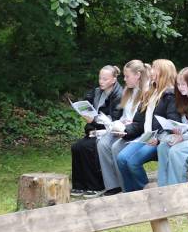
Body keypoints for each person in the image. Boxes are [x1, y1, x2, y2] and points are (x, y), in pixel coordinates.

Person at [116, 59, 179, 193]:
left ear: (163, 72)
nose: (151, 71)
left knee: (133, 162)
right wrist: (125, 131)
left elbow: (173, 123)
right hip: (146, 137)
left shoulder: (171, 95)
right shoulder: (150, 92)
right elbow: (138, 122)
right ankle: (130, 193)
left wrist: (159, 139)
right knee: (121, 158)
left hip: (159, 140)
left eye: (154, 68)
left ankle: (146, 193)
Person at [70, 64, 124, 196]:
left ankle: (96, 185)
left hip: (109, 132)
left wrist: (93, 121)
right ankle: (79, 185)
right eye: (100, 78)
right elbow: (88, 105)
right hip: (95, 130)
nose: (101, 81)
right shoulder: (97, 92)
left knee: (88, 147)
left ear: (114, 80)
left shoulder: (119, 95)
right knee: (77, 147)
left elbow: (114, 120)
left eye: (105, 79)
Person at [95, 60, 147, 193]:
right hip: (124, 128)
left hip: (136, 132)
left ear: (138, 75)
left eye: (127, 76)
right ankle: (113, 185)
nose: (124, 79)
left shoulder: (145, 93)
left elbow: (140, 122)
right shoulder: (128, 91)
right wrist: (119, 123)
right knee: (102, 144)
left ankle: (125, 186)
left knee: (116, 147)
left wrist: (126, 125)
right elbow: (124, 115)